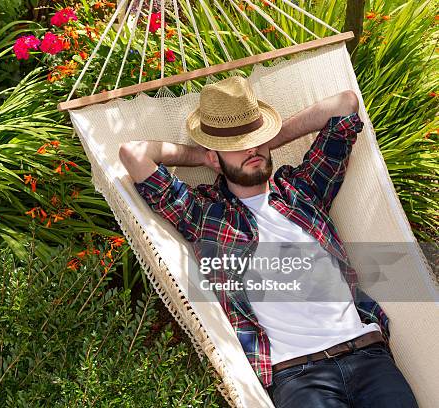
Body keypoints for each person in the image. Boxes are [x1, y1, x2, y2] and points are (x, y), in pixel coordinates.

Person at [118, 76, 418, 407]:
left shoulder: (302, 189)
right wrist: (204, 155)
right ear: (216, 158)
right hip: (298, 376)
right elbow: (134, 155)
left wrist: (267, 139)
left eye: (256, 140)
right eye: (237, 146)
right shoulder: (204, 214)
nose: (251, 150)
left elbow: (345, 104)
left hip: (367, 355)